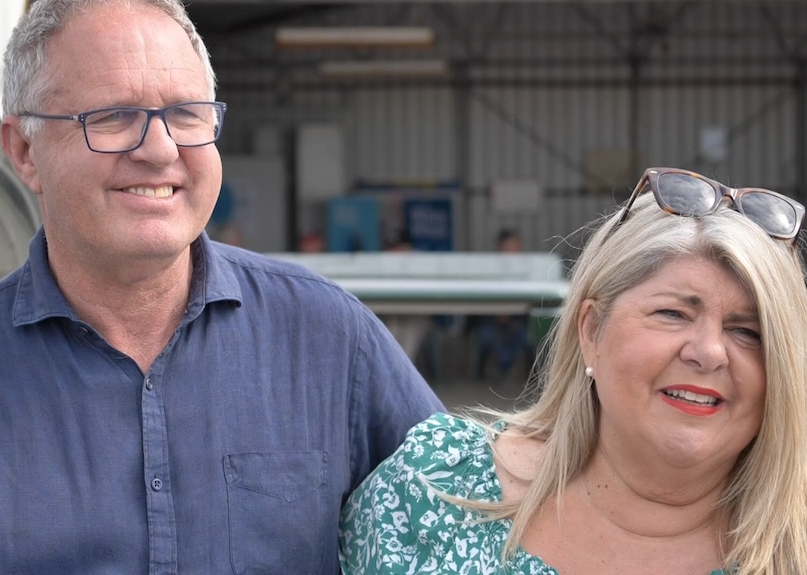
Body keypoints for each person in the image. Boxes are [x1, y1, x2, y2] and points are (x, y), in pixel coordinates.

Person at [0, 1, 444, 573]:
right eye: (112, 116)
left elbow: (468, 523)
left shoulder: (329, 339)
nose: (159, 150)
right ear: (25, 152)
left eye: (185, 114)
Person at [340, 167, 807, 574]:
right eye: (673, 314)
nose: (709, 352)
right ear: (590, 332)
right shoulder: (437, 490)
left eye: (748, 332)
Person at [469, 228, 534, 382]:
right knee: (487, 335)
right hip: (492, 318)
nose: (511, 251)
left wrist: (511, 313)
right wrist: (497, 311)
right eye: (507, 247)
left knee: (524, 336)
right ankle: (496, 373)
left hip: (520, 319)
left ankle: (509, 370)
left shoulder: (529, 268)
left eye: (514, 246)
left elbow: (534, 297)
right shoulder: (490, 269)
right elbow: (481, 295)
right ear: (500, 248)